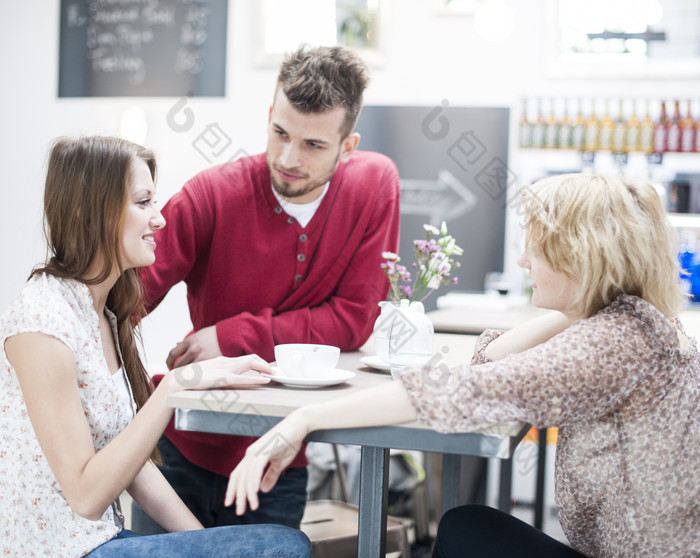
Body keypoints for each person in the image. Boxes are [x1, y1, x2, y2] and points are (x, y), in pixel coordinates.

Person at [225, 173, 700, 558]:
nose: (522, 260)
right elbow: (488, 360)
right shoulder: (631, 322)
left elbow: (452, 389)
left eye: (534, 247)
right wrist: (577, 302)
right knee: (469, 526)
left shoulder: (608, 344)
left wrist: (302, 420)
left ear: (580, 256)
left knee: (466, 529)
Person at [0, 135, 312, 558]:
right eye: (143, 202)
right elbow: (87, 497)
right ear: (87, 210)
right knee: (285, 547)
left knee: (279, 543)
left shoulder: (104, 313)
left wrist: (204, 543)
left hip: (99, 541)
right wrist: (173, 387)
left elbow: (130, 466)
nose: (160, 219)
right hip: (61, 551)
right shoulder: (42, 320)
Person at [131, 44, 400, 532]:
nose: (287, 157)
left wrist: (229, 337)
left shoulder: (374, 186)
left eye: (313, 145)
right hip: (181, 448)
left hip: (280, 457)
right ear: (270, 115)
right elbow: (123, 299)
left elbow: (354, 320)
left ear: (348, 146)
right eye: (279, 132)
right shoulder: (211, 194)